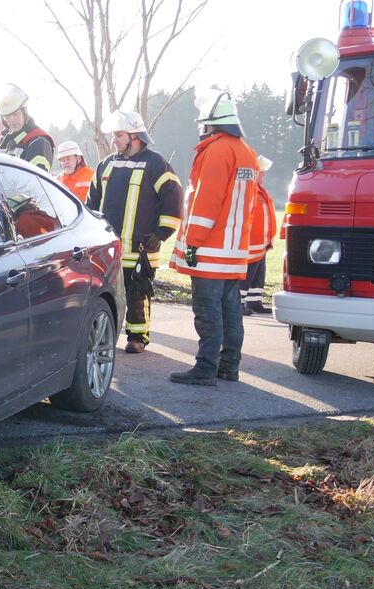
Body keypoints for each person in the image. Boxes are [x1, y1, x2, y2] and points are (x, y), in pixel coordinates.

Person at [168, 92, 261, 385]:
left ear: (210, 124)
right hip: (233, 253)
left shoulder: (216, 151)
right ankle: (229, 366)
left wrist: (193, 242)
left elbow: (206, 201)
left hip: (210, 250)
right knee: (231, 310)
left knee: (207, 311)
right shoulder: (246, 152)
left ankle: (205, 368)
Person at [86, 110, 183, 353]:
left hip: (140, 248)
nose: (114, 140)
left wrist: (161, 233)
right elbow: (91, 204)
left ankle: (137, 338)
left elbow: (173, 201)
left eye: (119, 135)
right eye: (114, 135)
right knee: (101, 295)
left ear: (135, 135)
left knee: (138, 295)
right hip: (107, 250)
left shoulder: (156, 165)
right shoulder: (106, 165)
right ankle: (101, 337)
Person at [242, 155, 277, 315]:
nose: (264, 175)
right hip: (251, 243)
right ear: (255, 173)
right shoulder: (249, 190)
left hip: (261, 243)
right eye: (262, 172)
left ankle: (254, 301)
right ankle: (239, 303)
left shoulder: (260, 190)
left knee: (258, 274)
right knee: (247, 274)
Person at [0, 83, 55, 171]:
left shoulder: (39, 141)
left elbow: (34, 180)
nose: (11, 120)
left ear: (24, 112)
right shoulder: (5, 139)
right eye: (7, 116)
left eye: (15, 114)